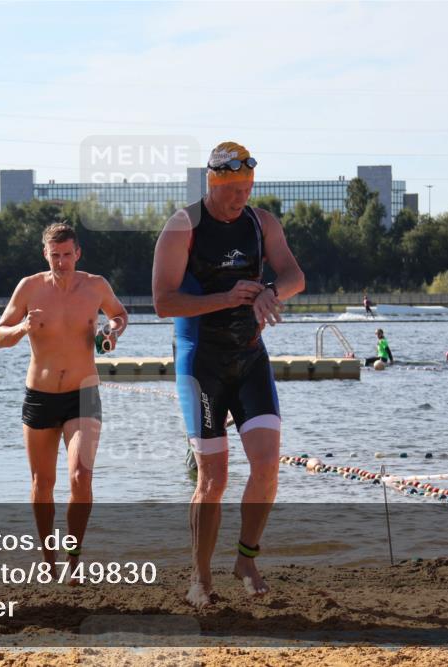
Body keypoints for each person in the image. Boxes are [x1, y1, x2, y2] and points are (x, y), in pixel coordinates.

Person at [152, 141, 304, 607]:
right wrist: (231, 296)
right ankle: (199, 578)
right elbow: (163, 302)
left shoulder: (262, 223)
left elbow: (294, 276)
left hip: (251, 358)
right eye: (232, 189)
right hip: (202, 365)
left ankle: (246, 557)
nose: (241, 197)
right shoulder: (183, 228)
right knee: (212, 480)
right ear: (212, 184)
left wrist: (269, 294)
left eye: (247, 188)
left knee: (266, 468)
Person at [0, 222, 128, 576]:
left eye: (67, 255)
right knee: (42, 484)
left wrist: (111, 331)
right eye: (55, 255)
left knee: (81, 476)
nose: (62, 262)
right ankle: (48, 559)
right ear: (45, 255)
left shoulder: (95, 286)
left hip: (83, 394)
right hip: (40, 396)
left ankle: (73, 557)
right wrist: (22, 329)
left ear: (77, 253)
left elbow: (119, 314)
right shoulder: (30, 288)